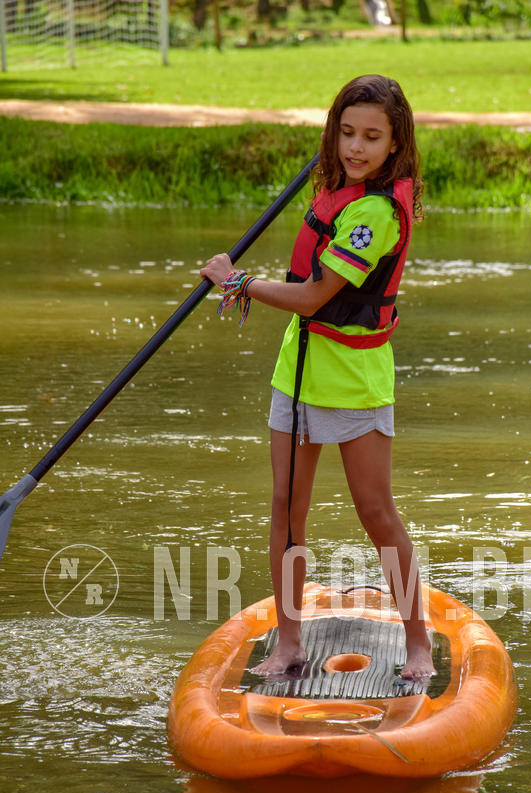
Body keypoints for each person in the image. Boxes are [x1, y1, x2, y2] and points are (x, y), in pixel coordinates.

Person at [200, 74, 435, 680]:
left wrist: (238, 282)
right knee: (285, 510)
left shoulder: (376, 215)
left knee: (376, 512)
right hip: (297, 374)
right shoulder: (333, 191)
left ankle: (418, 645)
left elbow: (313, 297)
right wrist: (243, 281)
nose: (356, 148)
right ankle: (289, 643)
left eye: (372, 137)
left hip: (354, 378)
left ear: (395, 145)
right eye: (346, 133)